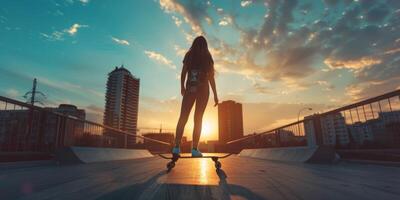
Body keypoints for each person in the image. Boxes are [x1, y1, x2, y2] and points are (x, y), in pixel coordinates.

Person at [172, 36, 218, 157]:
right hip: (203, 90)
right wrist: (215, 95)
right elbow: (211, 77)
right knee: (198, 119)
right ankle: (194, 149)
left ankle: (176, 147)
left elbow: (183, 72)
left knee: (183, 117)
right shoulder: (207, 56)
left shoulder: (189, 54)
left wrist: (182, 86)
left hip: (190, 88)